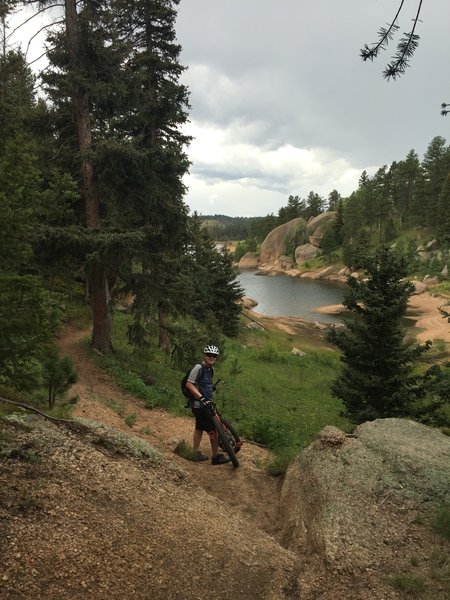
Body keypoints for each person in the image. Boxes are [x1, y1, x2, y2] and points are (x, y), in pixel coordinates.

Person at [185, 345, 230, 465]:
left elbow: (204, 384)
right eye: (209, 355)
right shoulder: (198, 368)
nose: (211, 357)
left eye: (214, 356)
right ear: (204, 356)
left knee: (199, 427)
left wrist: (210, 389)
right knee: (213, 429)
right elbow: (189, 384)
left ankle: (194, 452)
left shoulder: (211, 369)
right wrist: (201, 397)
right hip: (199, 403)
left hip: (203, 403)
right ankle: (216, 457)